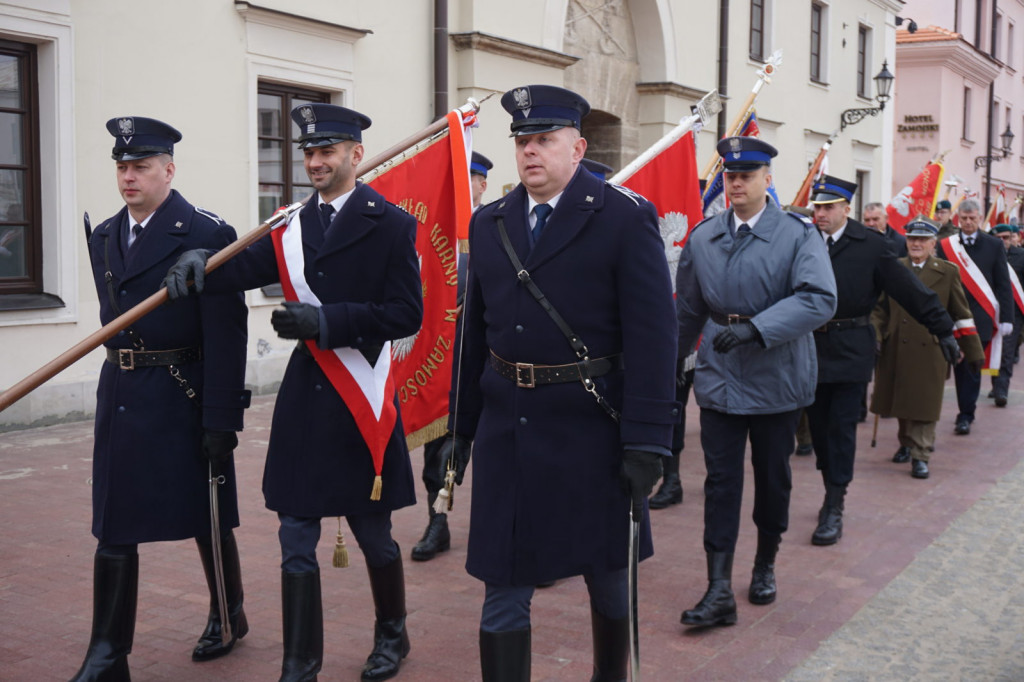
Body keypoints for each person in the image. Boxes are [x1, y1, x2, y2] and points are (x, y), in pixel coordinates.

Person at [164, 103, 422, 682]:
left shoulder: (392, 224)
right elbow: (243, 267)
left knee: (374, 535)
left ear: (356, 155)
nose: (315, 161)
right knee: (295, 538)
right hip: (308, 401)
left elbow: (408, 312)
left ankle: (392, 634)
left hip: (361, 399)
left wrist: (326, 323)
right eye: (308, 152)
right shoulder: (289, 225)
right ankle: (299, 665)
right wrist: (202, 260)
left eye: (327, 151)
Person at [436, 84, 678, 680]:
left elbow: (654, 337)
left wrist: (649, 440)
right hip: (508, 431)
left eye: (544, 139)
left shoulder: (623, 216)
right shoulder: (490, 221)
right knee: (502, 587)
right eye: (522, 140)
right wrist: (459, 430)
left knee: (608, 577)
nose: (529, 152)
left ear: (578, 145)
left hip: (592, 430)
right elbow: (474, 336)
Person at [70, 117, 252, 681]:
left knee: (206, 511)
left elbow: (227, 330)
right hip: (122, 390)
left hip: (183, 391)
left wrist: (222, 416)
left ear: (168, 170)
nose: (129, 177)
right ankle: (108, 654)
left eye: (141, 166)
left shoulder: (204, 233)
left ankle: (228, 613)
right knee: (113, 522)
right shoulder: (103, 233)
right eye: (122, 167)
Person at [676, 137, 836, 628]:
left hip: (777, 377)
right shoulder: (704, 237)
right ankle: (718, 587)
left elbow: (818, 299)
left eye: (747, 175)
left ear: (768, 179)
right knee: (721, 483)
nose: (737, 184)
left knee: (773, 480)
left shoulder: (797, 234)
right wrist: (664, 368)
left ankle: (765, 563)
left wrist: (756, 328)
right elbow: (686, 312)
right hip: (720, 380)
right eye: (730, 176)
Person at [806, 176, 956, 546]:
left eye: (827, 207)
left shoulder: (871, 246)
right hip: (807, 349)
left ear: (845, 209)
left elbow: (909, 290)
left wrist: (944, 329)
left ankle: (834, 501)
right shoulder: (803, 241)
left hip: (850, 348)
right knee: (819, 428)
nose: (820, 214)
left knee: (841, 428)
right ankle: (830, 482)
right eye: (817, 207)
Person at [410, 150, 493, 563]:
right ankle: (437, 521)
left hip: (492, 352)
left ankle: (515, 530)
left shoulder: (494, 224)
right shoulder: (434, 228)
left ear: (482, 184)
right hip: (445, 351)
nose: (466, 185)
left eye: (472, 178)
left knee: (503, 448)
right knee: (439, 444)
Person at [870, 216, 984, 478]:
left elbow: (961, 312)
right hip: (896, 345)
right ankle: (906, 444)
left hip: (930, 349)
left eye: (922, 239)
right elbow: (879, 309)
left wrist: (974, 350)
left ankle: (921, 454)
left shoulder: (947, 271)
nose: (916, 243)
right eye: (912, 238)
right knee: (900, 402)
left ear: (934, 243)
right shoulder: (893, 268)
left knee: (924, 404)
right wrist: (875, 334)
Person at [936, 199, 1013, 434]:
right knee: (956, 367)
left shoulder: (994, 245)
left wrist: (1006, 318)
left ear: (979, 218)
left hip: (980, 318)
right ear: (958, 218)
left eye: (972, 218)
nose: (968, 223)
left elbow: (1002, 284)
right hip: (951, 317)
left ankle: (965, 414)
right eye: (964, 218)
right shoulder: (946, 246)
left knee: (971, 367)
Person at [988, 223, 1024, 406]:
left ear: (1012, 238)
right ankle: (995, 384)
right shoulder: (987, 256)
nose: (1003, 242)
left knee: (1007, 353)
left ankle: (1002, 390)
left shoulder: (1021, 257)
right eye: (999, 238)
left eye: (1006, 238)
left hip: (1014, 313)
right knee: (993, 350)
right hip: (991, 311)